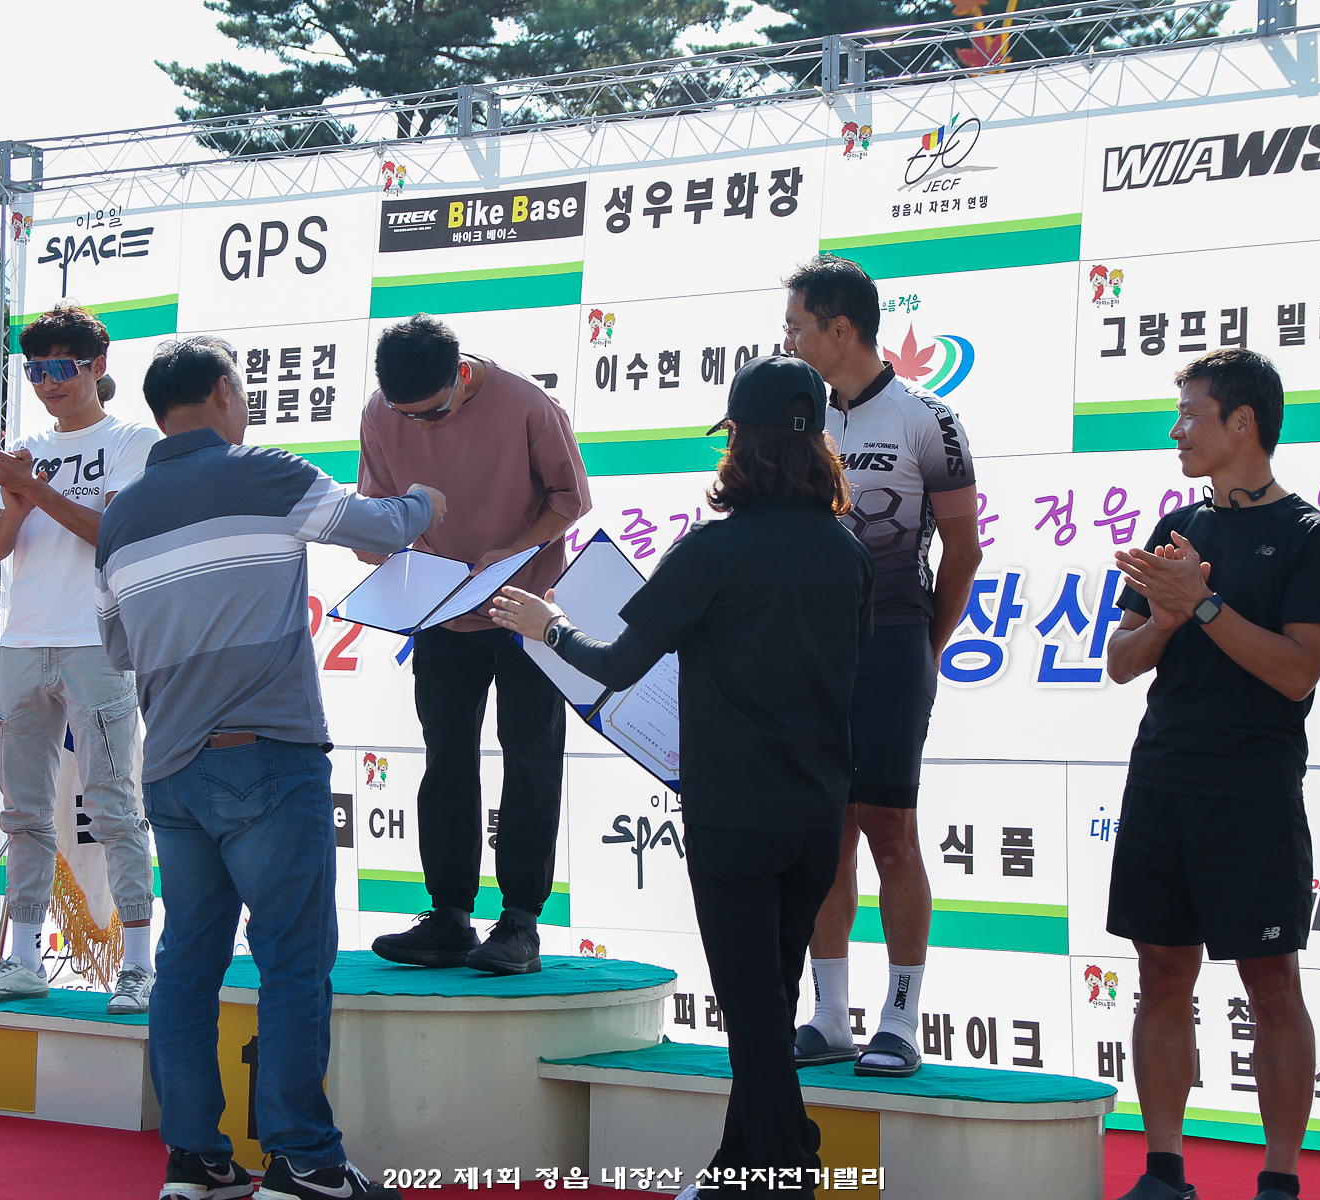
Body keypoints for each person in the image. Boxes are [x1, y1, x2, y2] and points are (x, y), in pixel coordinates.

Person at [488, 355, 873, 1192]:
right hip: (816, 814)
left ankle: (792, 1167)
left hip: (735, 813)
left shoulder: (715, 549)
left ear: (740, 442)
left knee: (755, 1010)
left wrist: (548, 627)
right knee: (765, 1003)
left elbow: (617, 663)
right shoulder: (846, 552)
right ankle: (739, 1168)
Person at [97, 335, 442, 1200]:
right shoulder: (263, 473)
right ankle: (304, 1160)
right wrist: (428, 499)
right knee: (291, 959)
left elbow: (119, 647)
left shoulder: (119, 520)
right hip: (266, 755)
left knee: (187, 964)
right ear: (223, 390)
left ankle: (195, 1162)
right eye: (242, 391)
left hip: (170, 770)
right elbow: (381, 526)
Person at [1104, 348, 1320, 1200]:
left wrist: (1203, 605)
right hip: (1161, 777)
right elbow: (1121, 662)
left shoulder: (1310, 535)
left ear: (1243, 423)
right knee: (1160, 975)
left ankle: (1279, 1180)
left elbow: (1297, 671)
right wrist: (1166, 621)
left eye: (1190, 414)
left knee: (1271, 987)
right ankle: (1164, 1170)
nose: (1176, 431)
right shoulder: (1179, 529)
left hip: (1252, 789)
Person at [778, 255, 982, 1076]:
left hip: (893, 640)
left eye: (797, 326)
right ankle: (829, 1016)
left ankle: (900, 1019)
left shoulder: (928, 419)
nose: (787, 340)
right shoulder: (795, 418)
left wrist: (923, 647)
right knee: (824, 836)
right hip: (808, 651)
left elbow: (963, 551)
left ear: (841, 328)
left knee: (891, 834)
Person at [359, 313, 591, 975]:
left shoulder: (527, 405)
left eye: (432, 413)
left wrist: (512, 552)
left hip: (525, 608)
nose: (421, 427)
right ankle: (449, 915)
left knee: (531, 757)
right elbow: (378, 506)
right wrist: (373, 542)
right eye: (406, 417)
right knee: (446, 758)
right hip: (440, 608)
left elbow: (570, 500)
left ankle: (520, 921)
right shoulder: (380, 413)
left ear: (461, 375)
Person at [0, 302, 161, 1015]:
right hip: (21, 643)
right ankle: (22, 959)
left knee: (113, 804)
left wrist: (35, 489)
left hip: (97, 641)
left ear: (97, 366)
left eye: (63, 368)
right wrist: (15, 502)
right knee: (22, 811)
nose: (49, 383)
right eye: (36, 371)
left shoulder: (133, 441)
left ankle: (138, 964)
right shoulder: (23, 448)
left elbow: (114, 534)